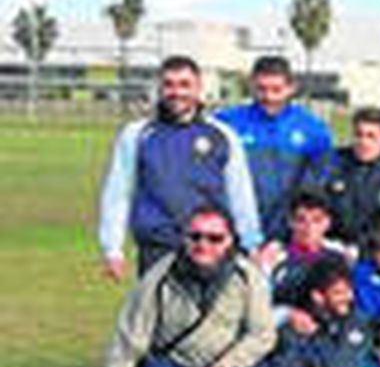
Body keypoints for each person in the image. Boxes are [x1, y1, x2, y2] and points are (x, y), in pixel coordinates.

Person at [104, 207, 276, 367]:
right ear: (184, 238)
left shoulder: (249, 277)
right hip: (175, 357)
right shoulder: (159, 276)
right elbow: (131, 333)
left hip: (227, 359)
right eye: (194, 237)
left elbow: (262, 335)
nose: (202, 244)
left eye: (214, 238)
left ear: (231, 240)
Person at [98, 55, 262, 279]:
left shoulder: (222, 135)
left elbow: (240, 193)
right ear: (159, 88)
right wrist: (112, 249)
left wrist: (251, 243)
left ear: (198, 88)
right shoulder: (137, 134)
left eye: (185, 85)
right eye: (169, 84)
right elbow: (118, 194)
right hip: (158, 249)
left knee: (213, 315)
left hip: (211, 246)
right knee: (159, 313)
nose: (177, 92)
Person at [217, 55, 333, 244]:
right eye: (261, 89)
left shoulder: (313, 129)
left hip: (289, 236)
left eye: (276, 90)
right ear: (252, 86)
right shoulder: (227, 123)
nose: (269, 97)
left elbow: (315, 189)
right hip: (237, 232)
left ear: (291, 88)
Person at [318, 107, 380, 246]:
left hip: (377, 252)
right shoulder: (331, 164)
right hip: (334, 248)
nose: (363, 142)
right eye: (358, 135)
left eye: (371, 136)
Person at [265, 191, 354, 318]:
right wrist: (287, 315)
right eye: (301, 220)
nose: (309, 228)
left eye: (316, 220)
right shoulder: (273, 259)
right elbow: (260, 311)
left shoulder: (340, 254)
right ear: (290, 222)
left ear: (327, 223)